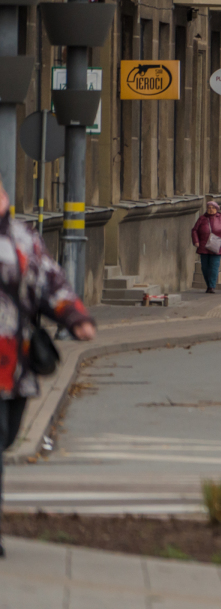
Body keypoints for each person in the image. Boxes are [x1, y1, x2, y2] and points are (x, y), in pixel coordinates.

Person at [0, 177, 96, 557]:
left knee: (5, 437)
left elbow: (50, 281)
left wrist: (74, 317)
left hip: (12, 362)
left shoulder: (23, 239)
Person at [190, 199, 221, 293]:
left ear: (217, 209)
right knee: (205, 268)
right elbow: (194, 230)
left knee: (214, 267)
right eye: (209, 207)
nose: (210, 209)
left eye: (213, 207)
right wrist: (196, 241)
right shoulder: (202, 218)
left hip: (217, 248)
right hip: (203, 246)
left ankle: (211, 287)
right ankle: (209, 284)